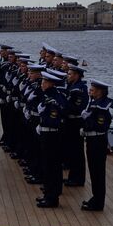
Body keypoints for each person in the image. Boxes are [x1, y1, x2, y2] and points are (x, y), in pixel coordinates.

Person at [33, 69, 68, 207]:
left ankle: (52, 197)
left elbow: (54, 119)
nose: (42, 84)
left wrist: (44, 121)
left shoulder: (53, 99)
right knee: (48, 164)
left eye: (44, 81)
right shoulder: (48, 95)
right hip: (47, 133)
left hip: (52, 135)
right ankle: (48, 193)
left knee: (51, 165)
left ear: (50, 83)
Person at [80, 79, 113, 211]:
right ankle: (95, 198)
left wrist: (87, 118)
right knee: (93, 171)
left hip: (98, 142)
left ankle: (98, 202)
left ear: (100, 92)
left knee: (98, 172)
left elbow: (100, 126)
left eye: (93, 90)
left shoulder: (102, 109)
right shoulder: (94, 103)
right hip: (91, 140)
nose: (90, 91)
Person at [62, 63, 89, 187]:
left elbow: (77, 107)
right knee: (71, 150)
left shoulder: (79, 89)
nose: (68, 76)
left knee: (77, 151)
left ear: (77, 76)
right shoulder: (72, 86)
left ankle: (78, 178)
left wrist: (64, 107)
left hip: (75, 122)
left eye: (70, 74)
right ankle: (73, 176)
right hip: (70, 121)